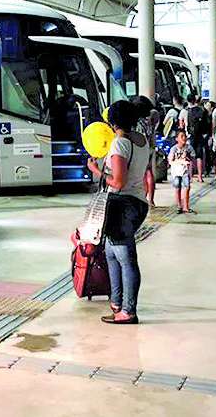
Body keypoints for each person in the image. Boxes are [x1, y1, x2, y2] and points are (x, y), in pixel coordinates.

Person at [86, 99, 150, 325]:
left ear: (112, 122)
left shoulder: (119, 144)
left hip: (122, 206)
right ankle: (117, 303)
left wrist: (96, 170)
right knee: (111, 254)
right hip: (138, 202)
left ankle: (128, 311)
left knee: (125, 258)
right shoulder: (142, 140)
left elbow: (118, 182)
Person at [179, 93, 209, 182]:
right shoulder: (201, 110)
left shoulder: (184, 111)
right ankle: (200, 176)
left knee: (189, 156)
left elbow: (181, 125)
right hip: (199, 135)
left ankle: (190, 176)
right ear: (194, 100)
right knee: (199, 156)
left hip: (189, 136)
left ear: (187, 100)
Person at [168, 130, 195, 214]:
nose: (184, 138)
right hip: (176, 171)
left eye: (185, 136)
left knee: (187, 187)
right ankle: (179, 206)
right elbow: (170, 160)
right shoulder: (174, 149)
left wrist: (188, 159)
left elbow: (193, 157)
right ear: (177, 139)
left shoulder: (189, 148)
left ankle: (186, 206)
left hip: (185, 171)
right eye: (181, 136)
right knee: (177, 187)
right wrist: (180, 161)